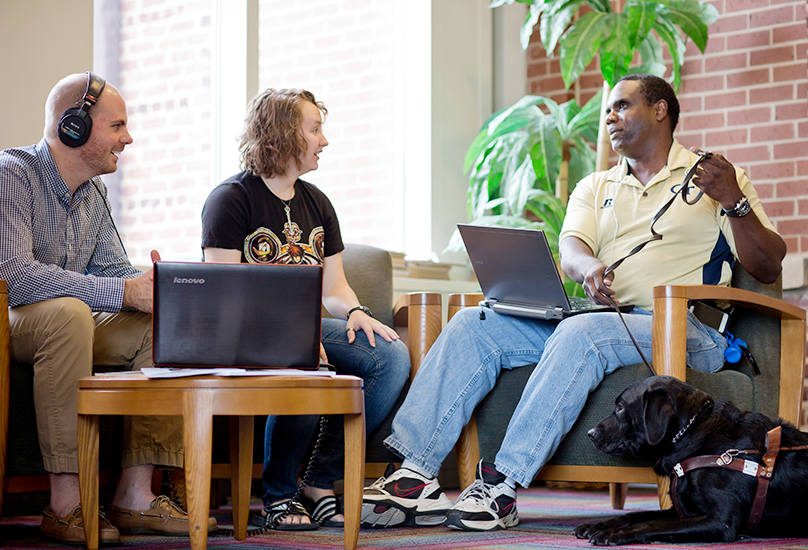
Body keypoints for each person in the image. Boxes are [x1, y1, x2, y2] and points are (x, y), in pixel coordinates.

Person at [361, 74, 786, 532]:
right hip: (598, 317)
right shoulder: (595, 184)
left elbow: (768, 265)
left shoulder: (714, 176)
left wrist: (734, 200)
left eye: (621, 106)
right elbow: (572, 248)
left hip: (684, 329)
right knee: (472, 323)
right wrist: (587, 269)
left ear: (660, 109)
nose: (609, 117)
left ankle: (502, 486)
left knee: (581, 332)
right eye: (608, 110)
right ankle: (411, 477)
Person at [0, 72, 218, 545]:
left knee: (161, 323)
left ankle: (135, 496)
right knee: (70, 314)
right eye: (117, 125)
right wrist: (121, 292)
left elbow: (115, 275)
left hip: (71, 321)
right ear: (73, 126)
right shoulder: (12, 173)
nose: (128, 137)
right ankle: (65, 504)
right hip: (12, 319)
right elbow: (15, 276)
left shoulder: (95, 195)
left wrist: (153, 290)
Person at [200, 88, 410, 530]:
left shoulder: (317, 202)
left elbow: (333, 285)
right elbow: (225, 293)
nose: (324, 140)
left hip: (306, 328)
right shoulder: (231, 199)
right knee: (303, 357)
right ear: (282, 135)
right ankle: (278, 495)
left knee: (389, 355)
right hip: (244, 333)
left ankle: (319, 480)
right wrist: (294, 333)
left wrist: (354, 312)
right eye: (315, 129)